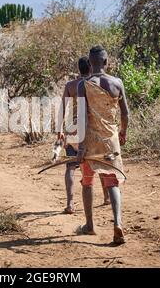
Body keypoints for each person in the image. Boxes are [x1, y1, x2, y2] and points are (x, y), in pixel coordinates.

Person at [76, 45, 129, 244]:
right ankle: (118, 223)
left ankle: (89, 226)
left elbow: (81, 118)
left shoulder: (84, 85)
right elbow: (125, 114)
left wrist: (81, 146)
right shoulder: (117, 83)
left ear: (89, 64)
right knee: (112, 181)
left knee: (87, 181)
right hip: (110, 140)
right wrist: (122, 133)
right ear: (106, 62)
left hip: (90, 141)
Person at [58, 56, 110, 215]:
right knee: (98, 163)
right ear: (91, 67)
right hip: (93, 130)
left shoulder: (71, 85)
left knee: (70, 166)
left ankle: (70, 203)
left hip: (74, 130)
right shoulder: (96, 84)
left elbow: (62, 108)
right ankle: (107, 197)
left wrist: (59, 131)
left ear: (78, 68)